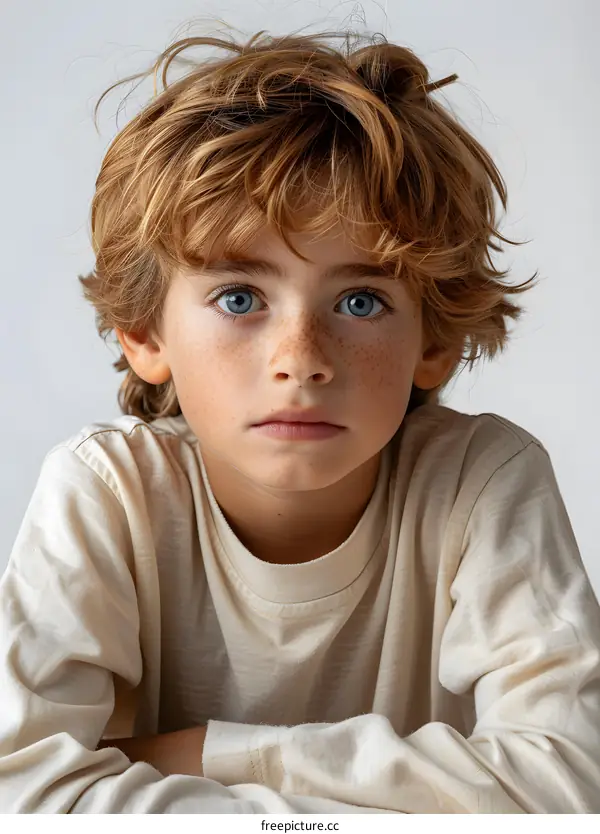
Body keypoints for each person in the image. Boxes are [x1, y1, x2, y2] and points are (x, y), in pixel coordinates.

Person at [1, 23, 599, 815]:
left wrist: (213, 753)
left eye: (360, 301)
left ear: (436, 342)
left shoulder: (481, 481)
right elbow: (23, 794)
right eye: (240, 298)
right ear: (146, 334)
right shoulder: (108, 493)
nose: (301, 357)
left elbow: (571, 782)